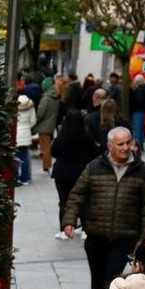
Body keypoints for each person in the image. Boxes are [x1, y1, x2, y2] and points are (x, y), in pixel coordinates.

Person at [62, 127, 145, 289]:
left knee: (111, 281)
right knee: (97, 281)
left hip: (125, 238)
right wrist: (69, 221)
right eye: (120, 144)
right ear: (109, 146)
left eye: (129, 142)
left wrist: (144, 240)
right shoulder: (94, 167)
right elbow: (77, 195)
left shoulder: (142, 171)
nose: (126, 147)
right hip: (96, 236)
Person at [51, 103, 100, 241]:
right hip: (81, 172)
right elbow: (94, 153)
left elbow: (53, 152)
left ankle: (64, 229)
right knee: (84, 200)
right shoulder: (87, 137)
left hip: (63, 173)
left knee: (64, 201)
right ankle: (85, 228)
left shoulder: (61, 138)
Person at [35, 76, 62, 173]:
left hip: (44, 126)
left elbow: (40, 113)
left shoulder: (46, 98)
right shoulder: (55, 96)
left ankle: (46, 167)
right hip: (51, 124)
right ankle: (47, 165)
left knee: (45, 148)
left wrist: (35, 121)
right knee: (48, 147)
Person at [14, 90, 36, 185]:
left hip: (16, 133)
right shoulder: (30, 105)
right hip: (26, 132)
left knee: (14, 157)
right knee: (24, 157)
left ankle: (15, 177)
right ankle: (25, 178)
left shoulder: (14, 105)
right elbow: (33, 120)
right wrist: (27, 127)